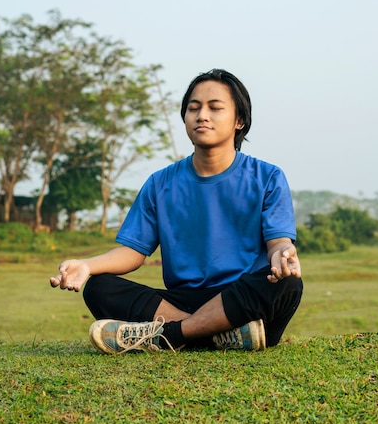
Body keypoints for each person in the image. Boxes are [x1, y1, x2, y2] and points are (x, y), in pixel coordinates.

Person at [50, 69, 303, 353]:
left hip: (237, 298)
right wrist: (86, 265)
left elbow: (278, 243)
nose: (202, 115)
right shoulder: (161, 183)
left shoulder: (267, 176)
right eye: (193, 108)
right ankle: (217, 335)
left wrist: (282, 253)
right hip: (180, 300)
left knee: (286, 285)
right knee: (99, 288)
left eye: (215, 108)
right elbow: (132, 253)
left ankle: (170, 334)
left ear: (239, 121)